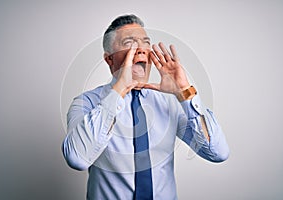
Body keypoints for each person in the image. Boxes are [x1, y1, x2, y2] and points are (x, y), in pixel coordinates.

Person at [62, 14, 229, 200]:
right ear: (109, 60)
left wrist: (184, 91)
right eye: (129, 43)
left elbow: (217, 152)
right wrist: (118, 92)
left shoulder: (170, 103)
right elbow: (77, 158)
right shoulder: (86, 103)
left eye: (145, 42)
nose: (140, 49)